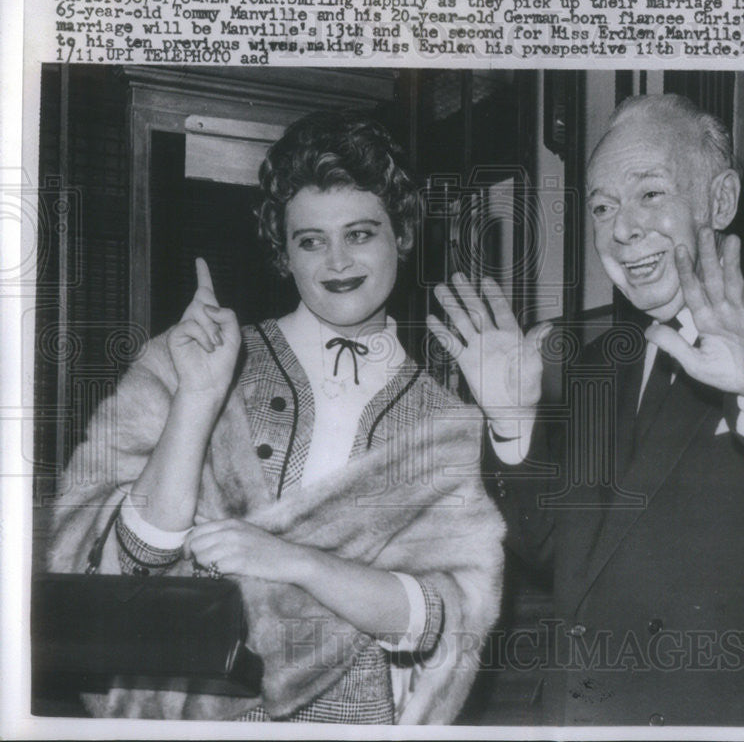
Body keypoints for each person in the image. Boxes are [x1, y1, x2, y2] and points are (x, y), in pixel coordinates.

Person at [431, 93, 744, 725]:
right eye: (602, 206)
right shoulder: (592, 355)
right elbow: (564, 554)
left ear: (720, 201)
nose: (621, 228)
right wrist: (512, 423)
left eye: (650, 195)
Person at [47, 111, 506, 724]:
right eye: (310, 240)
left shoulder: (445, 419)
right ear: (284, 253)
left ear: (401, 234)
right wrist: (197, 399)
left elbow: (440, 620)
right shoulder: (196, 361)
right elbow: (126, 571)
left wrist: (294, 561)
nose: (336, 261)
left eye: (361, 233)